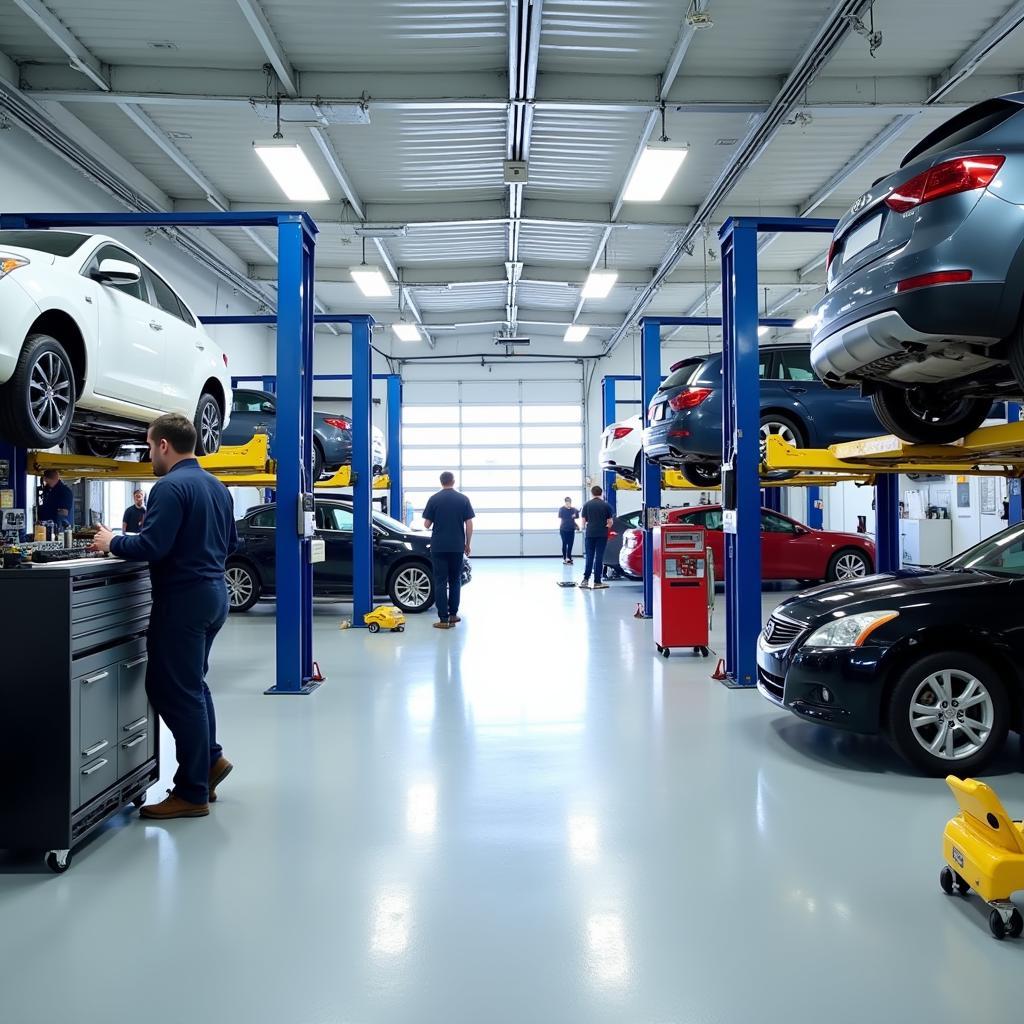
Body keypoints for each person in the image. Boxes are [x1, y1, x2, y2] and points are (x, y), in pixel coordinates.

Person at [90, 414, 237, 821]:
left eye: (149, 445)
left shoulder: (169, 487)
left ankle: (191, 792)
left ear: (164, 446)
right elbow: (231, 542)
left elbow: (153, 545)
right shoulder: (215, 486)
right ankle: (210, 761)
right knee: (192, 684)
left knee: (171, 687)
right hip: (214, 595)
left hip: (183, 600)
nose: (148, 452)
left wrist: (112, 541)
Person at [422, 471, 474, 630]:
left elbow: (426, 525)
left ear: (441, 482)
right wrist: (467, 543)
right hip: (457, 546)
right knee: (455, 581)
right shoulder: (463, 499)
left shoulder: (434, 499)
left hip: (438, 547)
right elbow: (469, 524)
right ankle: (453, 615)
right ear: (453, 481)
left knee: (440, 581)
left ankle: (443, 620)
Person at [579, 484, 614, 590]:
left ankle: (585, 580)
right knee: (599, 557)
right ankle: (597, 581)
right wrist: (606, 527)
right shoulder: (606, 505)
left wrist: (584, 529)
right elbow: (610, 522)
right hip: (601, 534)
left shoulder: (586, 505)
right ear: (601, 493)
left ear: (592, 494)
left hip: (590, 534)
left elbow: (583, 521)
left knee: (589, 556)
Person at [557, 496, 579, 564]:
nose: (568, 504)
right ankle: (565, 558)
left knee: (570, 544)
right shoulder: (561, 509)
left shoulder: (574, 509)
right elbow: (560, 516)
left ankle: (569, 557)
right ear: (565, 502)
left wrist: (576, 514)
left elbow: (577, 516)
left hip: (571, 529)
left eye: (569, 502)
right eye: (567, 502)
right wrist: (571, 515)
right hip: (563, 529)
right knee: (564, 543)